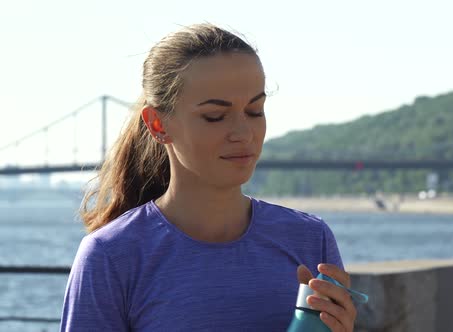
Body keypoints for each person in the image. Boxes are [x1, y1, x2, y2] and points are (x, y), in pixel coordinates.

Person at [60, 23, 357, 331]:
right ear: (158, 124)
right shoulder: (111, 255)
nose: (244, 133)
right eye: (215, 116)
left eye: (255, 110)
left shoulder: (310, 238)